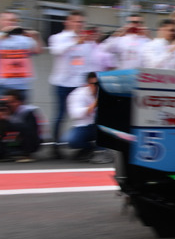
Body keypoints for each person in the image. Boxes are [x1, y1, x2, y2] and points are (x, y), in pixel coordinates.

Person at [48, 10, 94, 159]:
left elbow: (87, 62)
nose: (78, 24)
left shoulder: (86, 42)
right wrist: (75, 41)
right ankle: (55, 145)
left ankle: (82, 144)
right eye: (75, 21)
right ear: (67, 22)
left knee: (84, 115)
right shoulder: (58, 38)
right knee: (60, 115)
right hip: (62, 82)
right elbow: (56, 51)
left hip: (80, 84)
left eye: (81, 22)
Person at [0, 11, 43, 101]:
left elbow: (38, 51)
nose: (11, 22)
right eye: (8, 20)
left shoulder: (24, 39)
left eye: (14, 20)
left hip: (22, 85)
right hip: (3, 85)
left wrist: (36, 36)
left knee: (22, 113)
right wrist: (4, 33)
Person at [65, 72, 101, 161]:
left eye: (98, 84)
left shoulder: (104, 92)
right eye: (94, 84)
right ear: (87, 84)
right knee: (72, 140)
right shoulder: (78, 94)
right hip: (85, 126)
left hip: (100, 125)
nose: (96, 87)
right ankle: (89, 149)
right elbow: (75, 114)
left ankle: (102, 150)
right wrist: (94, 104)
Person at [0, 89, 42, 162]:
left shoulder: (28, 112)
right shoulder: (3, 111)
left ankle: (26, 154)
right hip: (8, 141)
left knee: (27, 130)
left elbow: (30, 130)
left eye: (12, 102)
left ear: (19, 102)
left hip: (27, 142)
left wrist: (7, 120)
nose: (9, 104)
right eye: (7, 102)